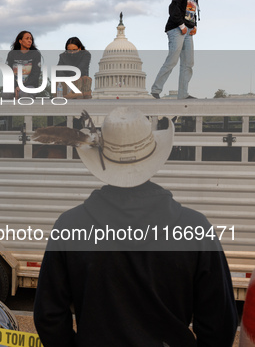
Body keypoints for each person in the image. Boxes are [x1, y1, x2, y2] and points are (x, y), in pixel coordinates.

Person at [33, 107, 237, 346]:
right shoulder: (196, 228)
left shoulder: (69, 226)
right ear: (153, 157)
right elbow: (220, 323)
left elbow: (48, 316)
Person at [151, 0, 211, 100]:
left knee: (188, 63)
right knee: (172, 60)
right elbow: (174, 7)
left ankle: (183, 94)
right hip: (177, 28)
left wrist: (194, 25)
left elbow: (191, 11)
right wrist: (181, 25)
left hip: (188, 30)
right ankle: (155, 90)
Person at [4, 31, 42, 99]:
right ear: (20, 41)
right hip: (14, 85)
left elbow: (35, 74)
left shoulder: (35, 54)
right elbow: (8, 73)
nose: (29, 41)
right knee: (6, 94)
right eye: (27, 38)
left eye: (31, 39)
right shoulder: (12, 54)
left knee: (24, 93)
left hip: (29, 85)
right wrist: (15, 86)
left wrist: (21, 87)